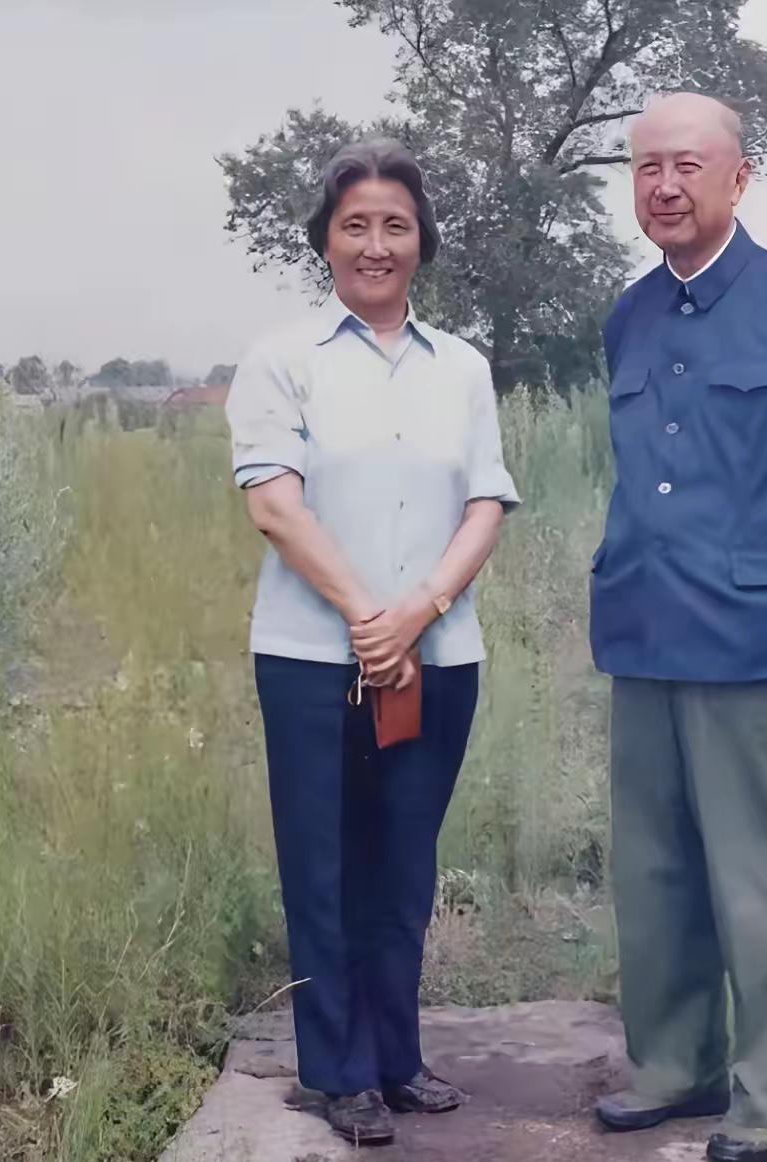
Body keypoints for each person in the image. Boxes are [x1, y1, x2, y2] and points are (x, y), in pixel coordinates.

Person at [590, 93, 767, 1162]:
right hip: (644, 629)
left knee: (757, 881)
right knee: (654, 872)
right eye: (646, 168)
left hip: (761, 643)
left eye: (687, 166)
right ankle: (677, 1066)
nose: (665, 187)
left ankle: (766, 1099)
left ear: (738, 177)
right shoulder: (629, 316)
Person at [225, 138, 519, 1147]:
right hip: (312, 662)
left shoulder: (463, 368)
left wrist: (418, 613)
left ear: (421, 239)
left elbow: (486, 502)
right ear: (326, 240)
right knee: (325, 866)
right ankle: (338, 1072)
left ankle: (397, 1056)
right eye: (356, 225)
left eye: (396, 224)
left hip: (439, 658)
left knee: (404, 863)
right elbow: (275, 504)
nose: (376, 244)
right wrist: (369, 618)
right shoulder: (283, 360)